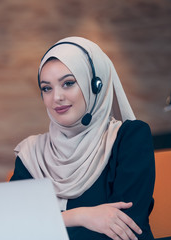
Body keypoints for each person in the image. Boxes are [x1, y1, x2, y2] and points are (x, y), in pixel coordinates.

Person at [10, 37, 155, 240]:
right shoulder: (31, 154)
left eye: (68, 83)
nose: (56, 97)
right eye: (47, 88)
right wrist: (82, 216)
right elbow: (12, 225)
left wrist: (48, 223)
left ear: (95, 86)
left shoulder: (129, 138)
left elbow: (124, 228)